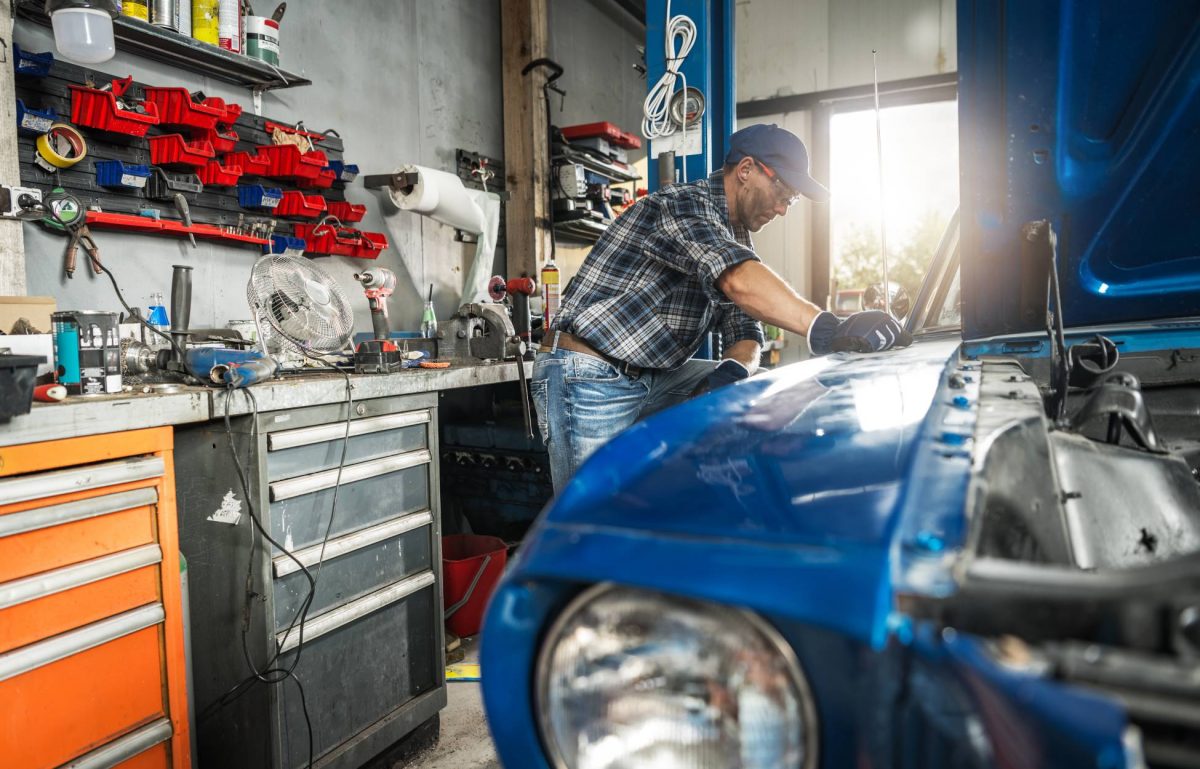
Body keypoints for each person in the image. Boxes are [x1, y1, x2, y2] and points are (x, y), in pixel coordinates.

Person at [531, 123, 908, 492]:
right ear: (746, 170)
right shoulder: (682, 206)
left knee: (752, 391)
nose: (782, 209)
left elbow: (745, 329)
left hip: (648, 375)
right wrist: (828, 327)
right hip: (588, 373)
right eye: (783, 191)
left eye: (791, 200)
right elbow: (738, 281)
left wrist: (733, 370)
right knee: (592, 516)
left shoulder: (734, 235)